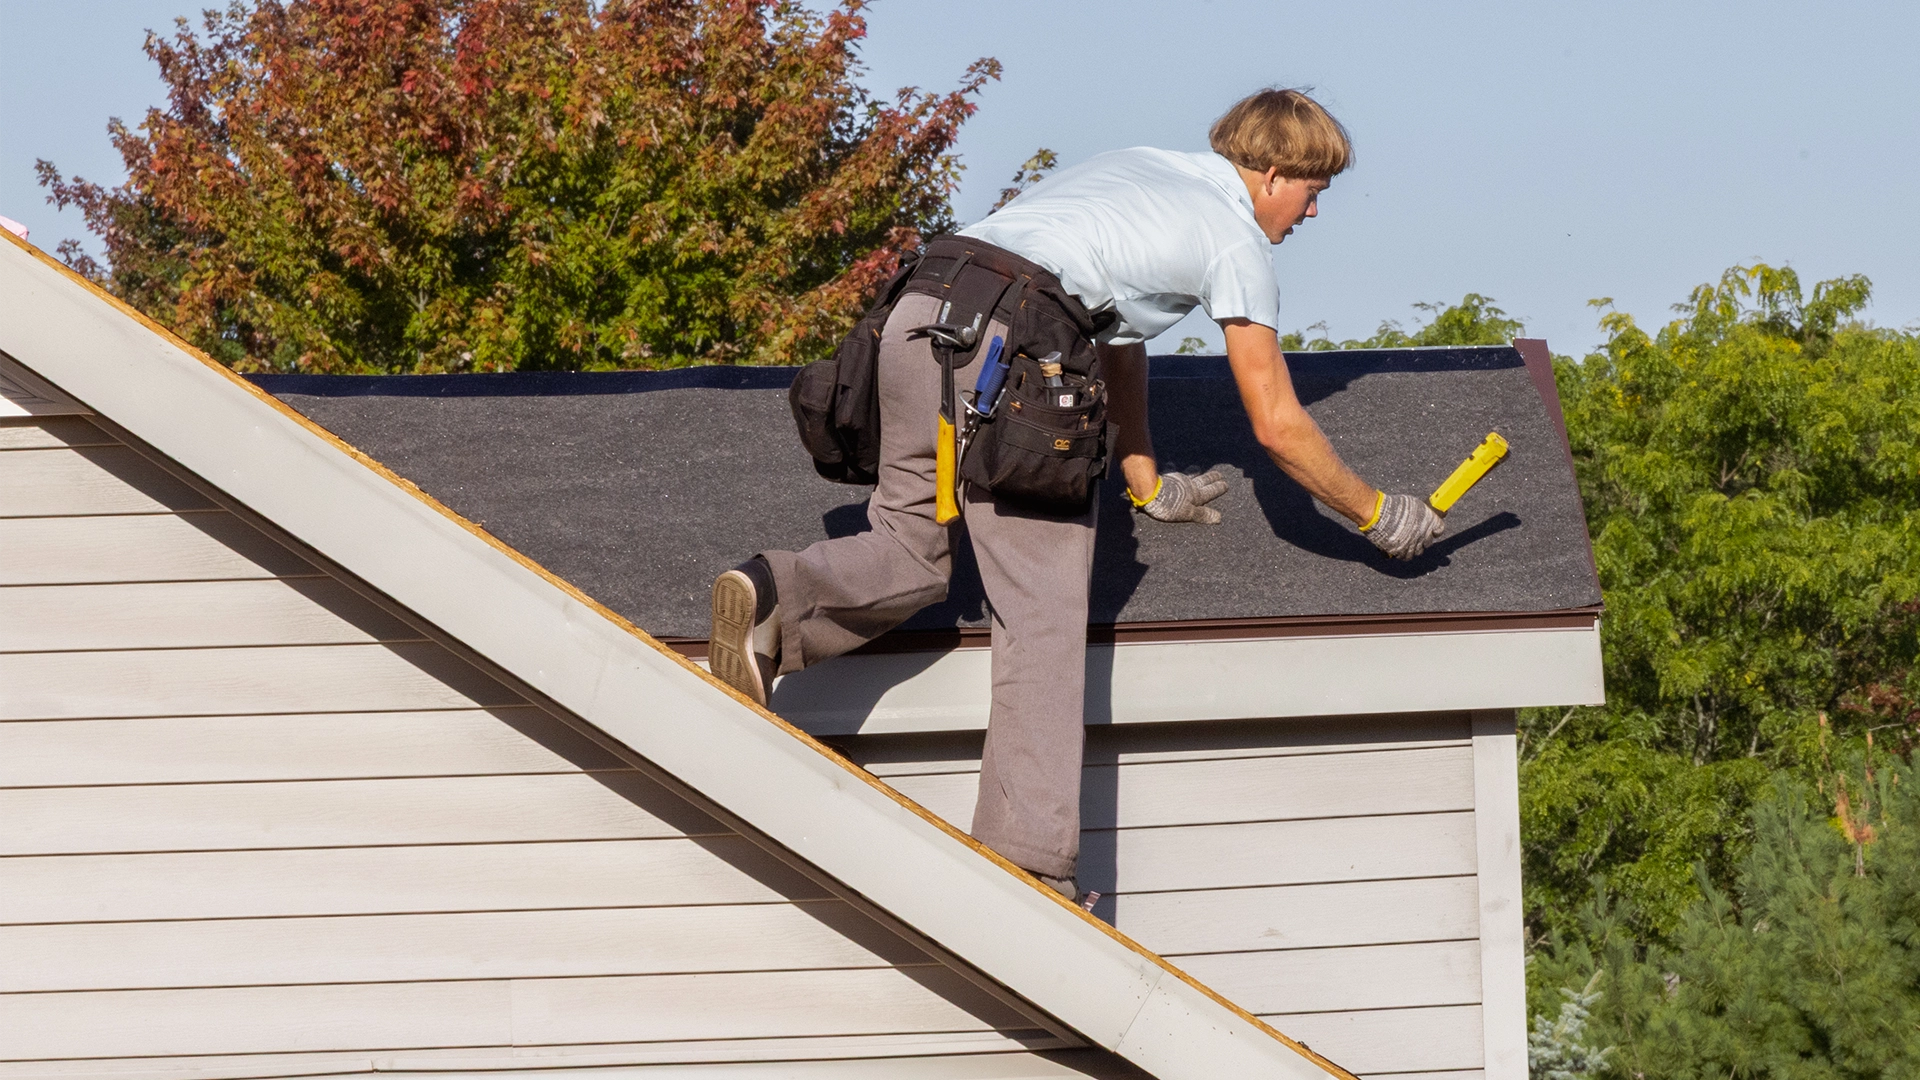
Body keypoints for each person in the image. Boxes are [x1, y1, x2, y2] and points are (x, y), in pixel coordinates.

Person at [710, 88, 1444, 903]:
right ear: (1274, 174)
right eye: (1314, 194)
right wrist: (1380, 512)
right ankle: (1026, 865)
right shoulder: (1235, 240)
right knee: (1043, 610)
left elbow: (1115, 342)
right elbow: (1275, 424)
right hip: (1019, 340)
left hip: (918, 309)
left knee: (910, 544)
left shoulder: (1138, 171)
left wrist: (1145, 481)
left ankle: (776, 596)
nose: (1311, 215)